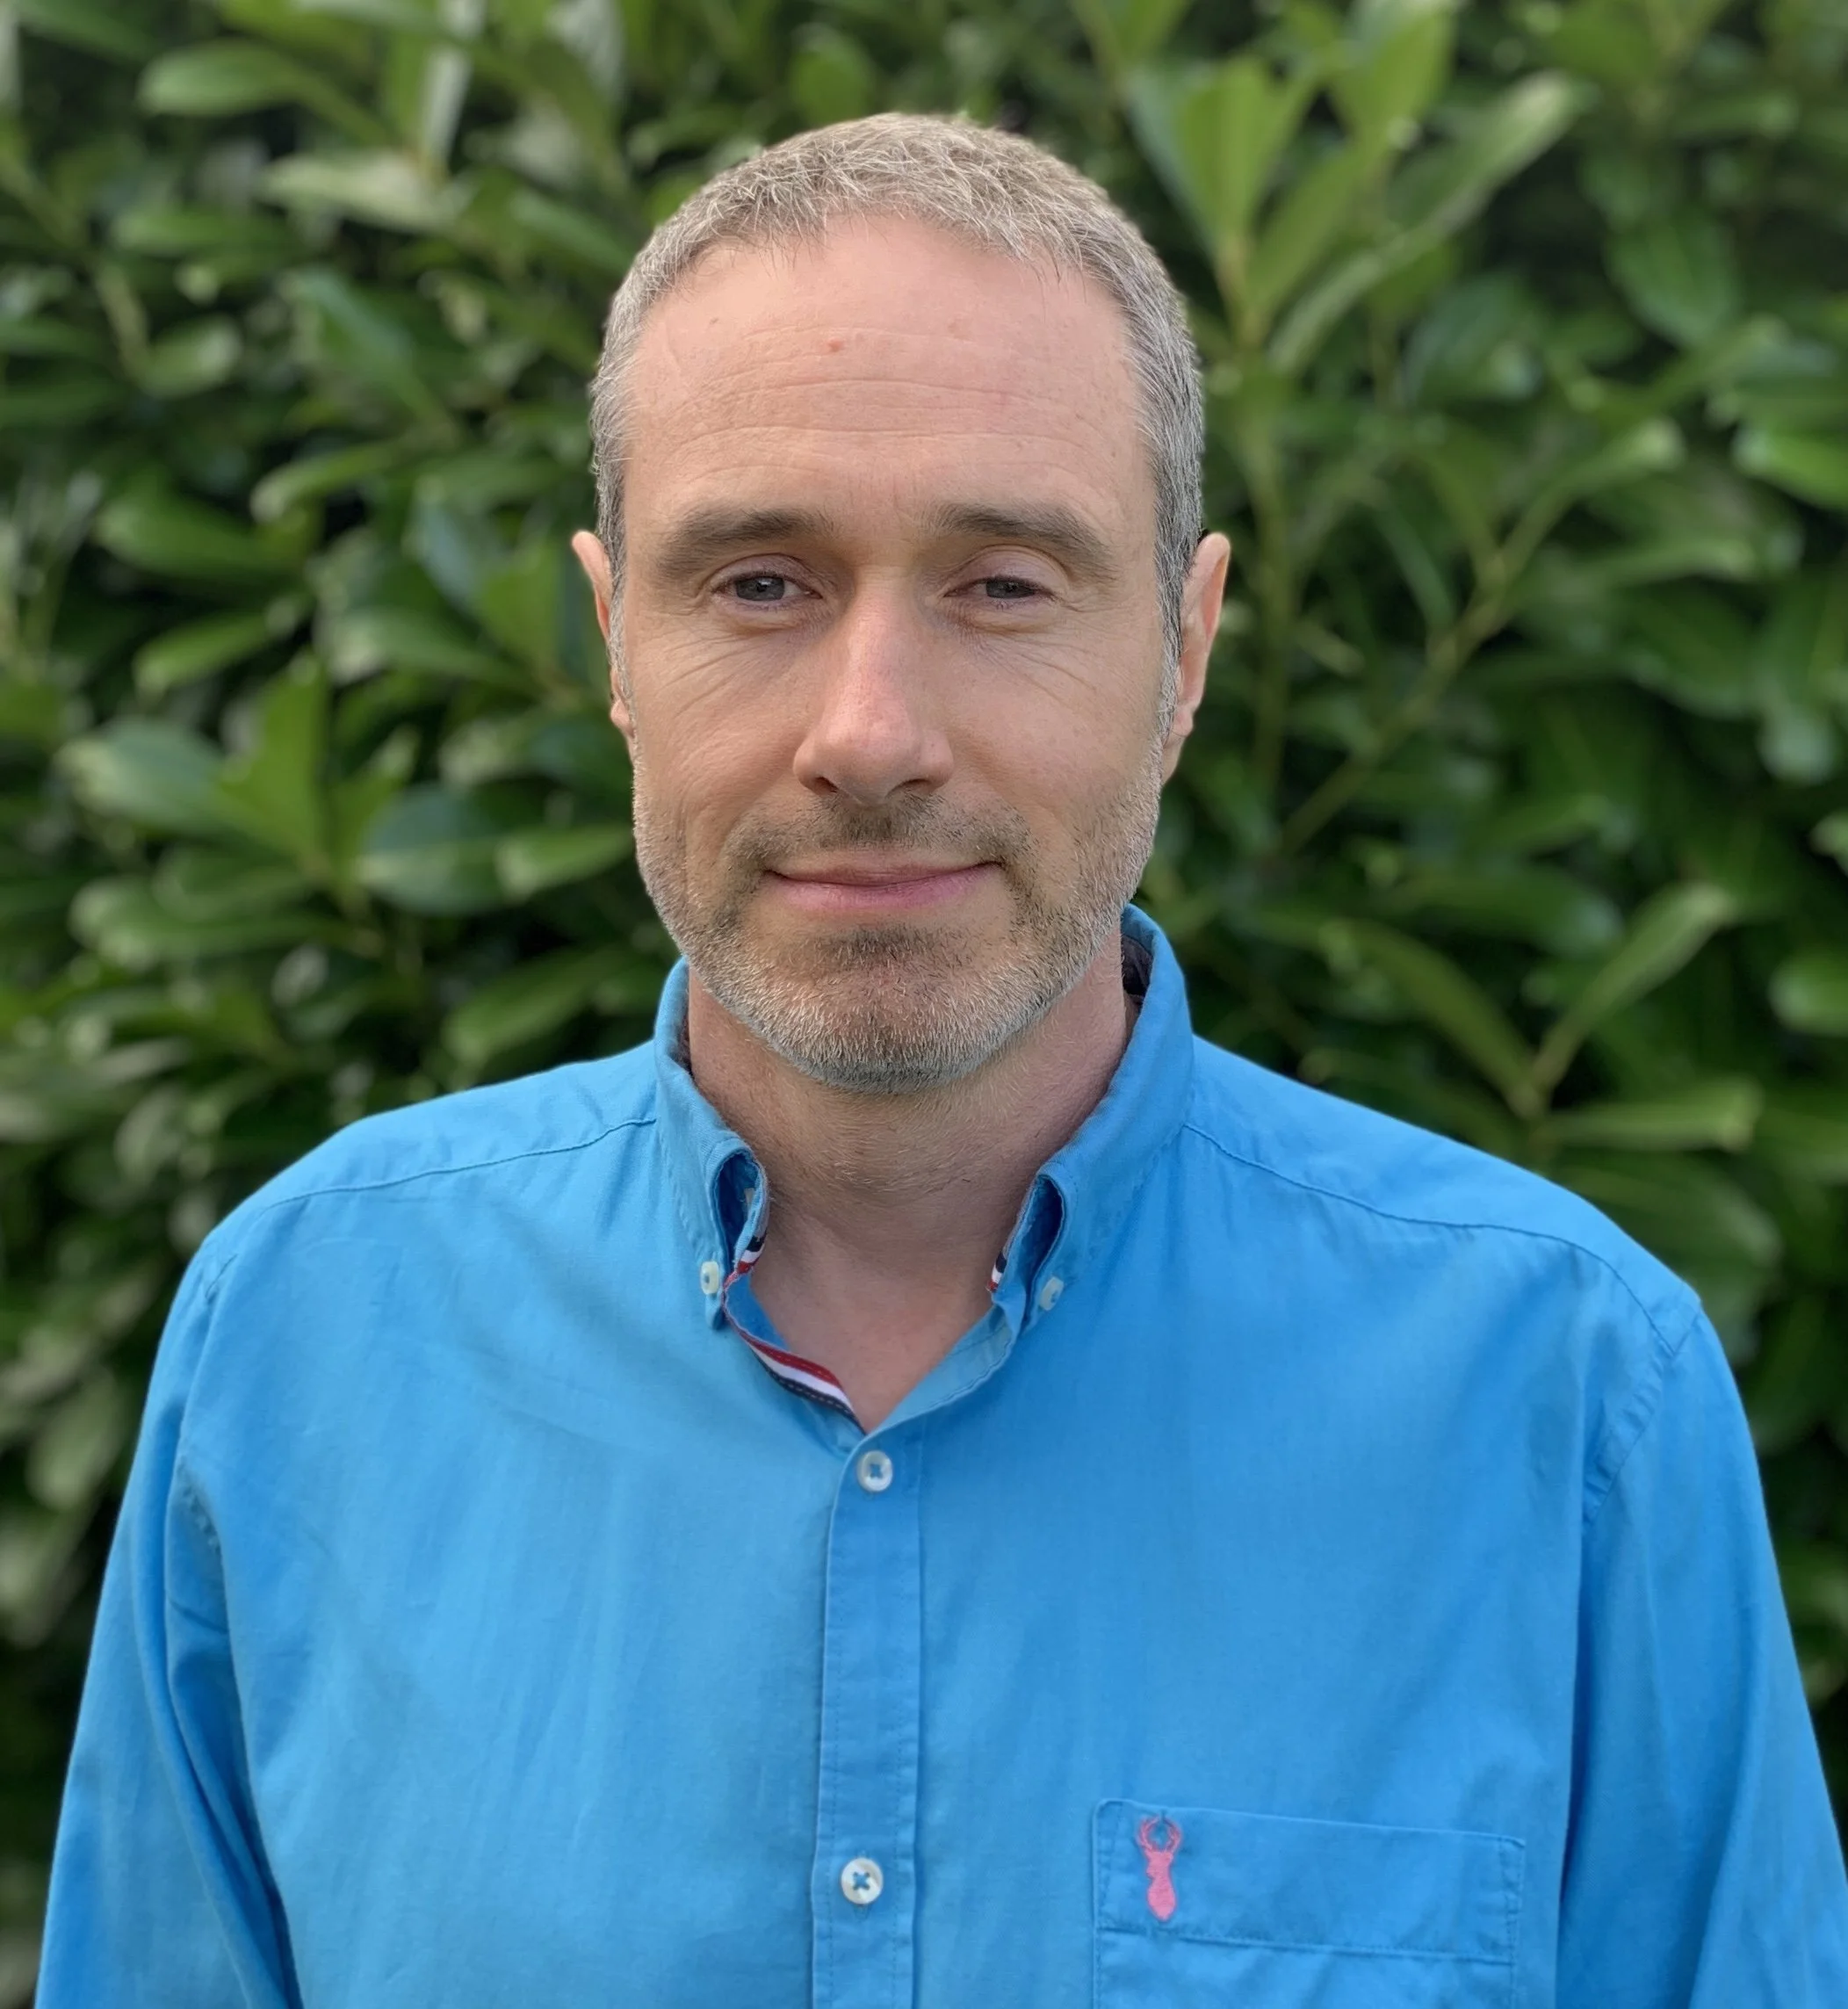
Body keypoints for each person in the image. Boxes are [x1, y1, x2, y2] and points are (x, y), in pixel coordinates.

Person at [39, 112, 1848, 2008]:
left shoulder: (1566, 1398)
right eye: (758, 584)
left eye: (1000, 583)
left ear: (1184, 649)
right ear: (613, 644)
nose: (870, 733)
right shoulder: (302, 1336)